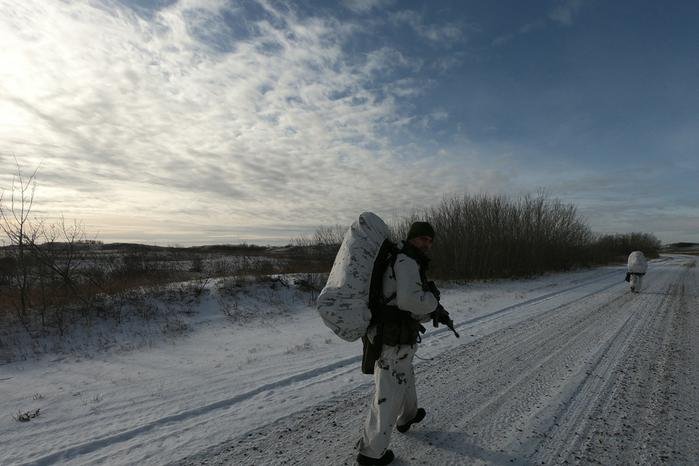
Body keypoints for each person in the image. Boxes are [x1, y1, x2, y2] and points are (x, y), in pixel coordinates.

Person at [356, 221, 452, 465]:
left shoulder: (403, 259)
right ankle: (371, 453)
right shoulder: (407, 261)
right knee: (388, 391)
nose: (426, 244)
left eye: (429, 241)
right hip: (393, 338)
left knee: (404, 375)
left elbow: (404, 302)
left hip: (396, 335)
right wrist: (432, 301)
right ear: (411, 238)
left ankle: (407, 417)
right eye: (422, 239)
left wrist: (433, 311)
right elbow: (410, 301)